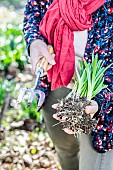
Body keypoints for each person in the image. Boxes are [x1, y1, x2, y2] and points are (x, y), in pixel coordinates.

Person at [23, 0, 113, 169]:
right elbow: (32, 9)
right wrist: (34, 41)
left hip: (102, 97)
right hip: (55, 83)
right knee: (66, 149)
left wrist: (102, 100)